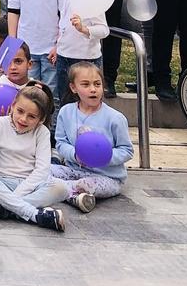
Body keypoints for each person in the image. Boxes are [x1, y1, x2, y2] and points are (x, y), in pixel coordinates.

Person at [0, 85, 67, 232]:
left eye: (32, 116)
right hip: (3, 181)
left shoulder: (42, 132)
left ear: (41, 119)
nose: (23, 119)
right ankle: (35, 215)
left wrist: (14, 198)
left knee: (61, 187)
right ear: (12, 106)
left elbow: (42, 170)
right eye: (20, 111)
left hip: (31, 184)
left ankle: (4, 209)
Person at [52, 61, 134, 212]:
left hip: (107, 177)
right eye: (85, 84)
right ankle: (72, 196)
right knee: (44, 171)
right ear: (73, 88)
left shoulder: (115, 118)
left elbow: (127, 150)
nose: (93, 89)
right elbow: (61, 144)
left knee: (85, 184)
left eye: (97, 84)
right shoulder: (66, 112)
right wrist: (75, 156)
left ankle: (67, 192)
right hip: (74, 170)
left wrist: (103, 157)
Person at [51, 0, 109, 107]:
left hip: (86, 58)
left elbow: (104, 30)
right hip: (64, 56)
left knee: (88, 104)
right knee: (65, 102)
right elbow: (63, 24)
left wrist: (84, 29)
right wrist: (58, 45)